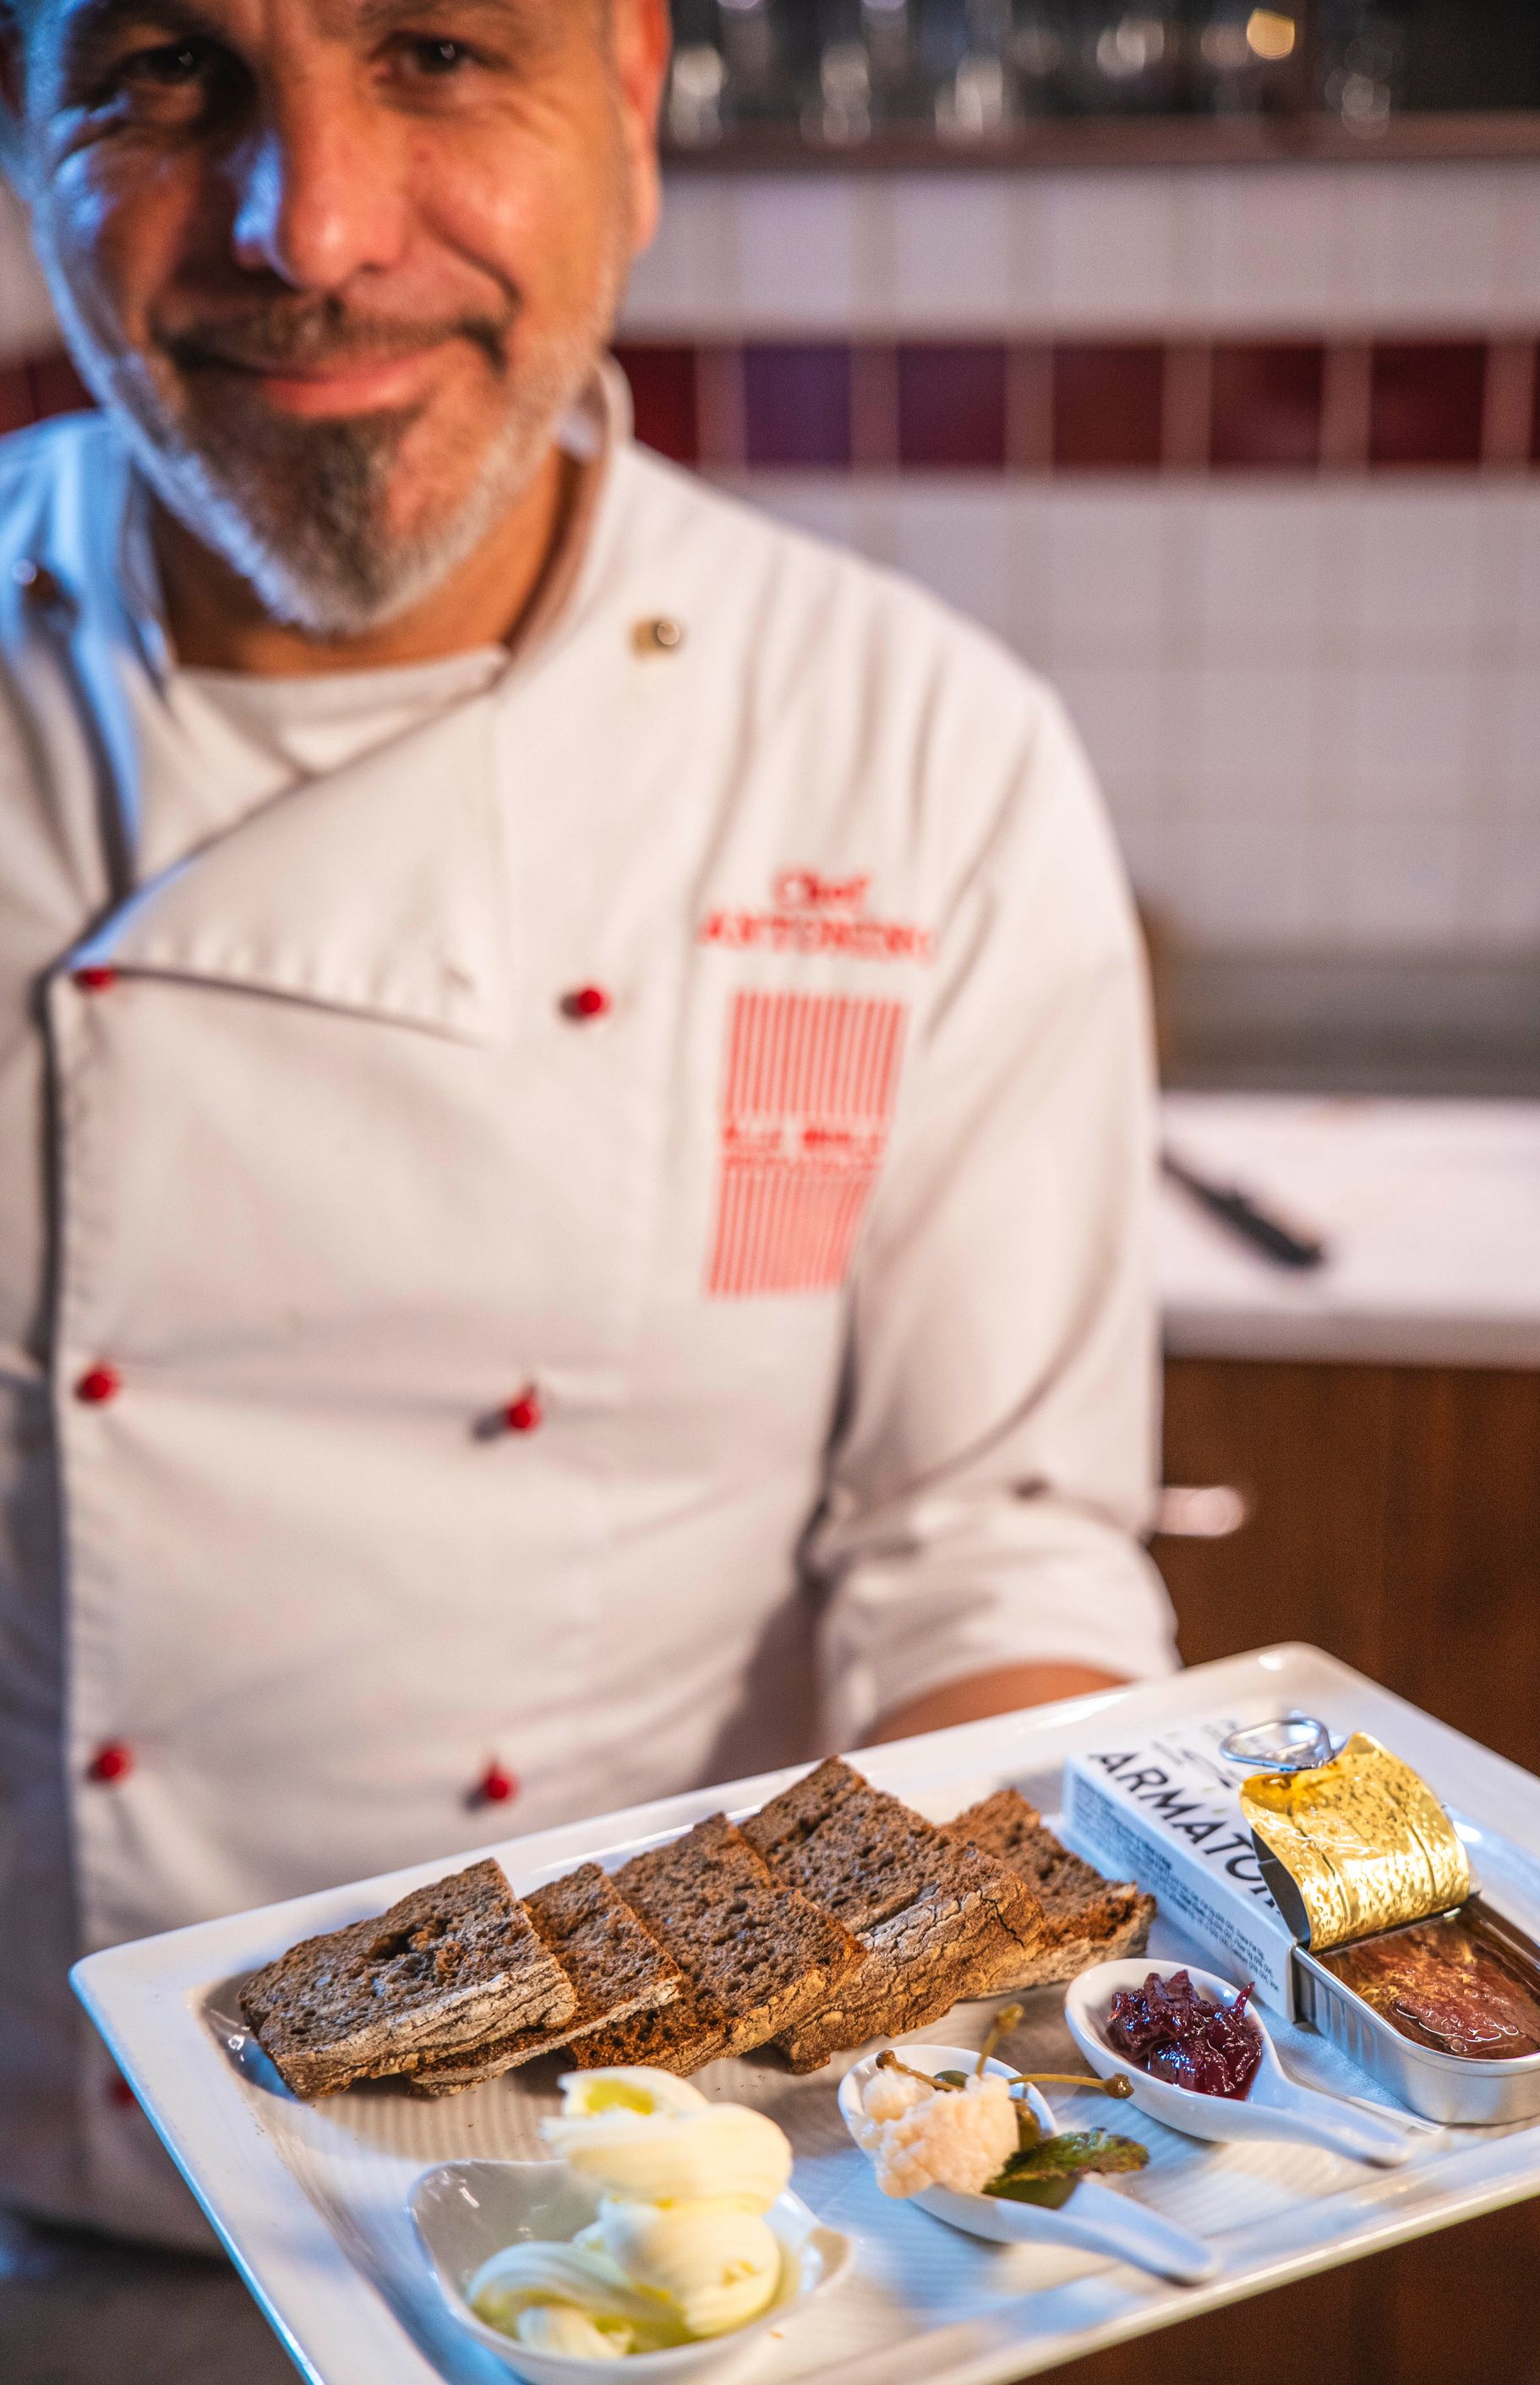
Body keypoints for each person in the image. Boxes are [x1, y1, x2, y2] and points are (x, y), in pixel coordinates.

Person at [0, 0, 1175, 2246]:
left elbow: (991, 1547)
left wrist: (944, 2106)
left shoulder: (905, 757)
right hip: (31, 2220)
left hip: (658, 2225)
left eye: (437, 51)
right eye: (164, 73)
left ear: (630, 99)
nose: (314, 230)